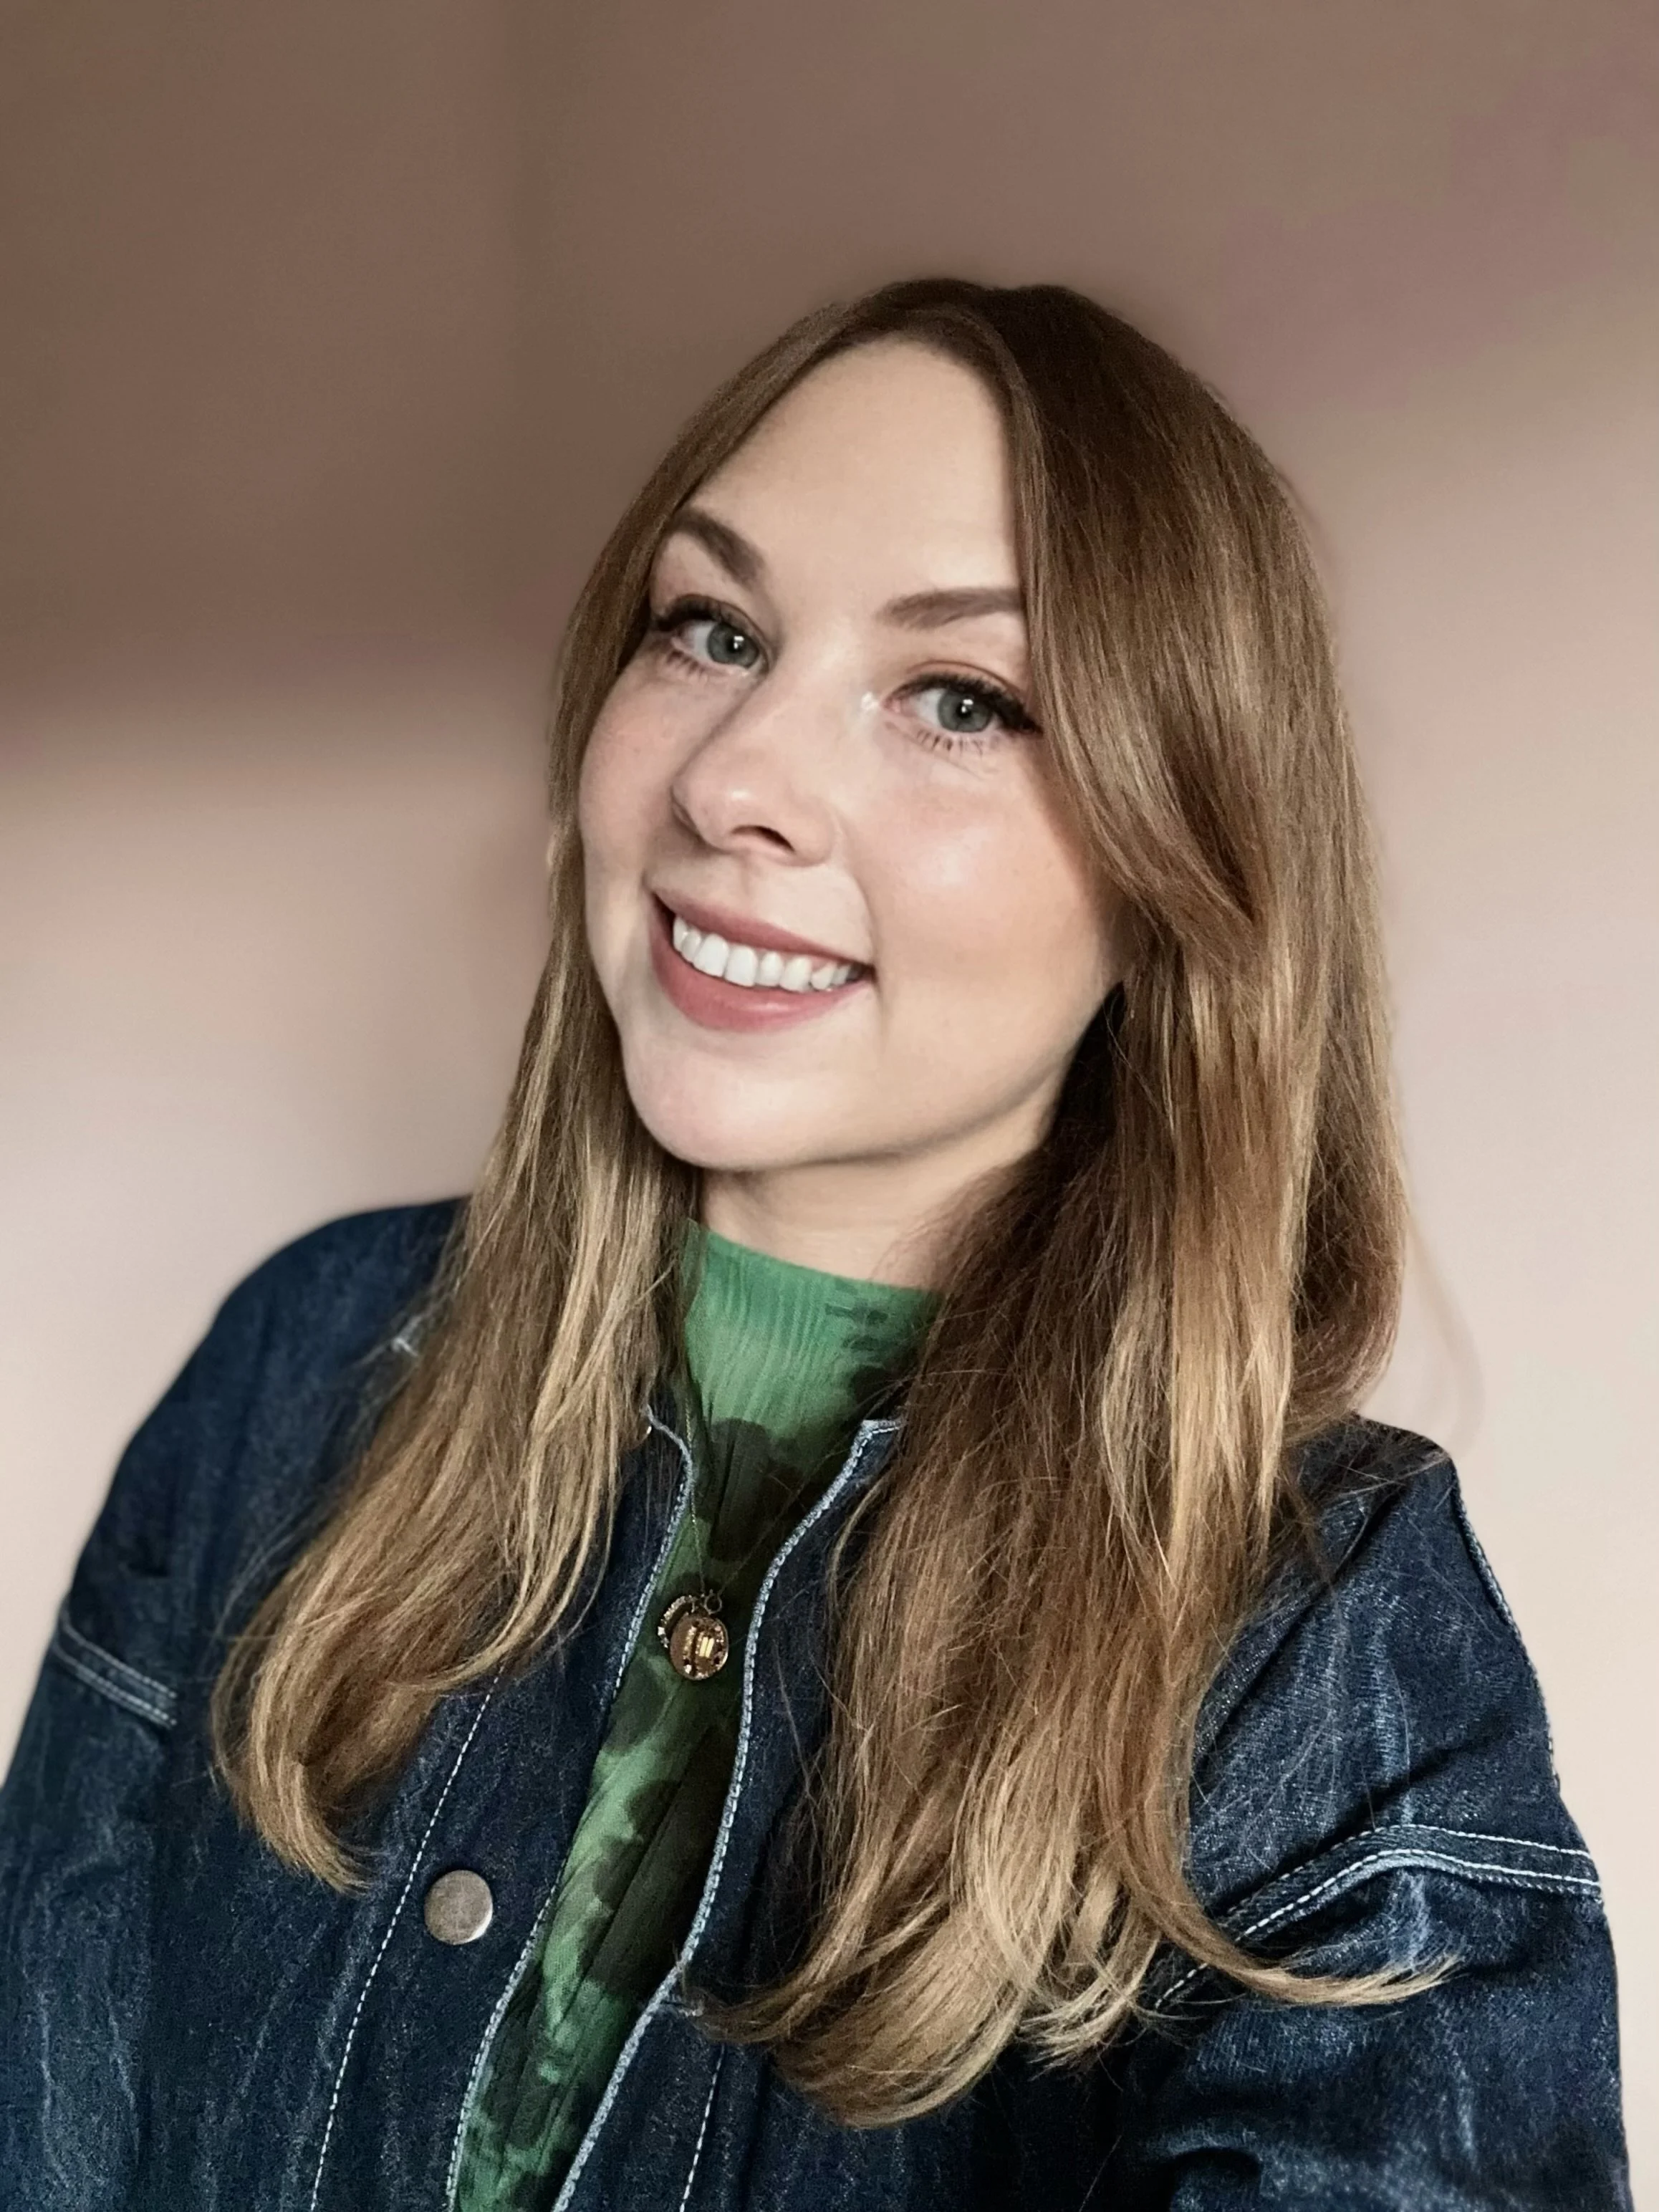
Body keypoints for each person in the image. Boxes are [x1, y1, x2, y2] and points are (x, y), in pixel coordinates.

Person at [0, 278, 1631, 2211]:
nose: (730, 783)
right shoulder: (307, 1355)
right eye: (711, 629)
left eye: (963, 699)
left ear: (1176, 868)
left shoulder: (1324, 1632)